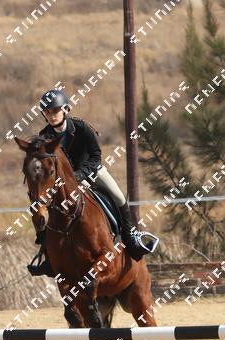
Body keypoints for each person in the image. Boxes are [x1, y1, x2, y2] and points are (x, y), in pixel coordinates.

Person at [27, 88, 156, 277]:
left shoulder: (81, 128)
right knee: (40, 206)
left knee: (119, 197)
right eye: (47, 112)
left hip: (92, 172)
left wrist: (78, 176)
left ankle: (131, 238)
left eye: (55, 110)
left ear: (65, 109)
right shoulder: (45, 135)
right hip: (62, 183)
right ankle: (47, 256)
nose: (52, 115)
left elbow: (96, 156)